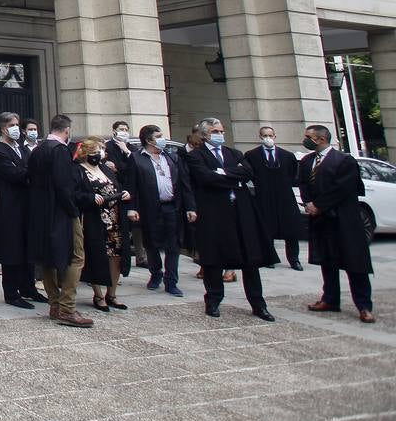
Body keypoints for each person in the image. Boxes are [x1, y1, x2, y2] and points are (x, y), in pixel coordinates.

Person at [186, 117, 276, 321]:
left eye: (221, 131)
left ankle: (258, 304)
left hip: (241, 213)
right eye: (216, 131)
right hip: (214, 214)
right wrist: (231, 177)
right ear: (205, 134)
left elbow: (247, 172)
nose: (220, 134)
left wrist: (223, 173)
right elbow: (205, 178)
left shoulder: (233, 153)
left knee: (250, 259)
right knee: (214, 260)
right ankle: (213, 300)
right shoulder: (196, 156)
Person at [300, 124, 375, 323]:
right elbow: (303, 184)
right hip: (322, 221)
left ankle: (364, 306)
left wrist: (319, 205)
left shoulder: (344, 161)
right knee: (327, 260)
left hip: (344, 219)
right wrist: (308, 203)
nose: (306, 140)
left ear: (321, 139)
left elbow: (344, 188)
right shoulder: (308, 161)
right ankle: (330, 299)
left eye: (309, 137)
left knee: (354, 263)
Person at [28, 114, 93, 328]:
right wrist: (73, 211)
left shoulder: (37, 150)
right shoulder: (60, 151)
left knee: (48, 259)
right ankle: (67, 307)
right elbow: (64, 186)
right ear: (66, 131)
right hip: (60, 211)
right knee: (77, 256)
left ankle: (55, 304)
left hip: (40, 211)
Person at [130, 125, 195, 297]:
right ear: (148, 139)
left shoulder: (172, 157)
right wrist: (132, 208)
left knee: (173, 245)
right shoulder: (137, 159)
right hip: (150, 207)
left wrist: (190, 207)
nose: (162, 139)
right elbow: (132, 186)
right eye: (158, 136)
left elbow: (184, 183)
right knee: (152, 243)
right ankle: (155, 273)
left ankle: (171, 280)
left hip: (172, 207)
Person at [0, 112, 43, 308]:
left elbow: (28, 169)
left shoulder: (20, 148)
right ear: (4, 128)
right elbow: (15, 173)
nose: (16, 128)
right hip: (10, 207)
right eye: (12, 125)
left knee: (27, 247)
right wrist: (31, 173)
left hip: (26, 205)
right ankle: (11, 293)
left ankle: (28, 287)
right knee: (11, 249)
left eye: (17, 124)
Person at [74, 137, 128, 312]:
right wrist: (90, 198)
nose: (100, 154)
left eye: (102, 150)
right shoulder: (79, 171)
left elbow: (116, 187)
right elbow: (75, 194)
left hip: (115, 218)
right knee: (96, 255)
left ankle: (111, 293)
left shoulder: (106, 169)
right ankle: (98, 294)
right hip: (95, 219)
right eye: (96, 151)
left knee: (116, 255)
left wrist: (124, 194)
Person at [245, 126, 304, 271]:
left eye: (270, 135)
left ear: (275, 136)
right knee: (266, 228)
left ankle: (294, 259)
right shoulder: (252, 155)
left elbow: (293, 175)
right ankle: (269, 257)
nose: (268, 138)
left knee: (290, 230)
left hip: (284, 196)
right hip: (264, 196)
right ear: (260, 136)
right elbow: (249, 174)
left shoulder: (287, 156)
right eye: (265, 135)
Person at [104, 121, 137, 278]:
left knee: (125, 235)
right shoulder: (108, 147)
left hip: (128, 195)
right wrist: (121, 168)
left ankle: (120, 269)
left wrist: (126, 152)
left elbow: (134, 169)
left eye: (126, 129)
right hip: (113, 195)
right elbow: (110, 169)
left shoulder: (131, 148)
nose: (124, 132)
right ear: (114, 131)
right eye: (121, 129)